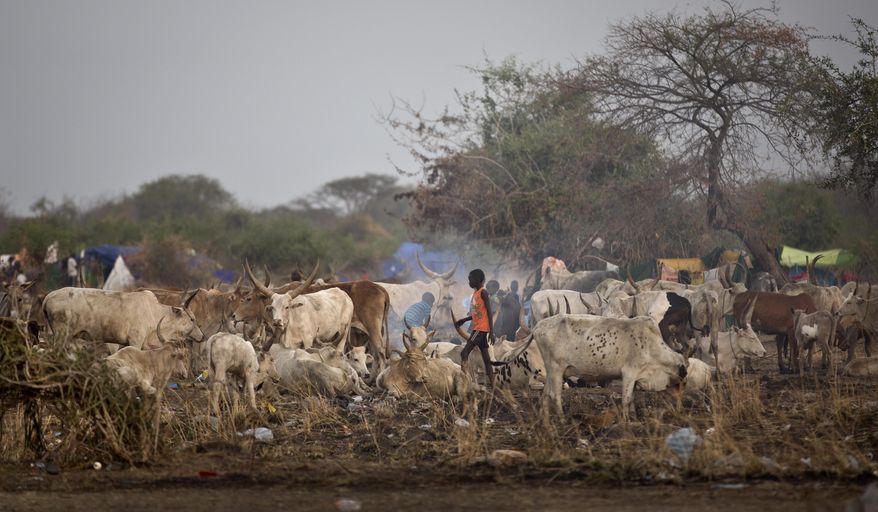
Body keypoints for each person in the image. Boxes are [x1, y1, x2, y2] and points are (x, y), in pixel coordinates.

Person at [454, 269, 495, 389]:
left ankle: (465, 381)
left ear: (478, 280)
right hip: (479, 328)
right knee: (486, 360)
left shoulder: (483, 293)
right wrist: (464, 320)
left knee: (464, 353)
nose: (469, 281)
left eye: (470, 279)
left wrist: (492, 332)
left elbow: (489, 313)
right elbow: (478, 314)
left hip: (480, 329)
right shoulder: (476, 294)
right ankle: (494, 386)